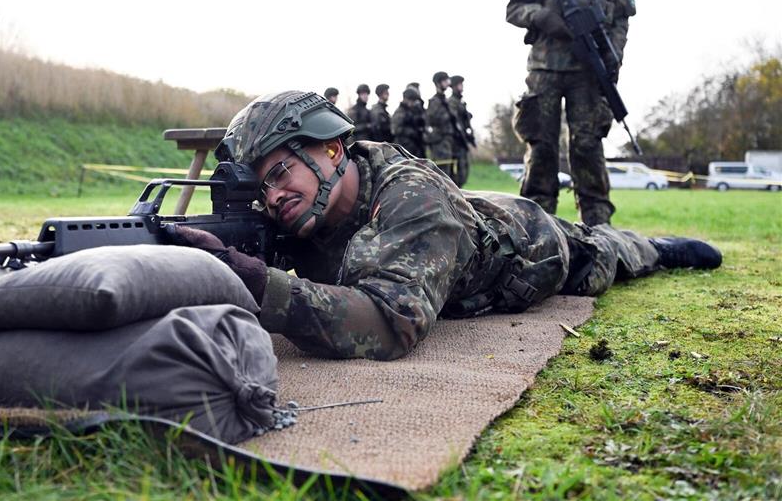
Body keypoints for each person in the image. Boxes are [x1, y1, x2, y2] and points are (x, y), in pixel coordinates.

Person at [171, 91, 721, 361]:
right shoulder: (297, 209)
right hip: (459, 218)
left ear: (334, 148)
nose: (274, 196)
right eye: (261, 186)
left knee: (600, 254)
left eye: (282, 171)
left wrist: (261, 284)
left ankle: (653, 246)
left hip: (526, 250)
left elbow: (390, 324)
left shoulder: (413, 197)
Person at [506, 0, 635, 226]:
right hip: (546, 68)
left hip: (587, 70)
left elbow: (622, 18)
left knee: (587, 144)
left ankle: (596, 223)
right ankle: (534, 223)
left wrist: (613, 56)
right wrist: (542, 17)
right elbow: (512, 8)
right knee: (541, 144)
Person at [426, 72, 460, 180]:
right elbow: (431, 120)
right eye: (444, 81)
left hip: (449, 141)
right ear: (438, 83)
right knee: (441, 173)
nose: (447, 83)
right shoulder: (434, 101)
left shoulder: (446, 101)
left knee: (450, 174)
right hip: (440, 142)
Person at [447, 75, 476, 186]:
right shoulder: (452, 102)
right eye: (460, 84)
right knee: (458, 174)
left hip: (462, 142)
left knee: (464, 172)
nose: (462, 87)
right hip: (456, 143)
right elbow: (455, 122)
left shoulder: (460, 102)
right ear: (454, 86)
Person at [391, 87, 426, 157]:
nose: (413, 103)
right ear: (406, 99)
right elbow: (395, 130)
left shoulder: (412, 111)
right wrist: (410, 132)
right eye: (412, 100)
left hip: (415, 147)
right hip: (404, 147)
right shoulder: (399, 112)